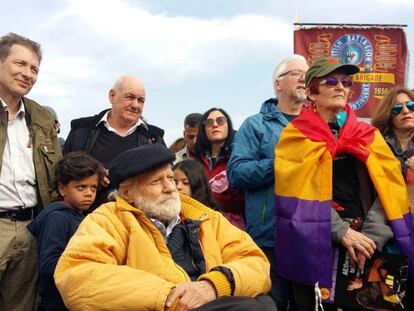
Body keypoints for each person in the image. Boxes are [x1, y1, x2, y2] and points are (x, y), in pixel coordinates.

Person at [54, 144, 275, 311]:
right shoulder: (108, 219)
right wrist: (168, 295)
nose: (170, 188)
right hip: (158, 306)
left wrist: (213, 286)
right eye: (156, 181)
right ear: (128, 192)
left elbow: (255, 263)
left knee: (264, 304)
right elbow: (77, 277)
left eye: (170, 177)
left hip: (212, 301)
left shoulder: (205, 217)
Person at [273, 57, 414, 309]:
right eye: (330, 81)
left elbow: (390, 189)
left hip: (368, 245)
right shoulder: (296, 135)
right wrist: (342, 232)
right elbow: (296, 196)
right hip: (318, 244)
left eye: (346, 82)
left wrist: (370, 239)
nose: (341, 87)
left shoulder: (366, 134)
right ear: (312, 91)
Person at [227, 54, 309, 310]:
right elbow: (237, 173)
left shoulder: (317, 124)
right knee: (272, 304)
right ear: (278, 84)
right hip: (269, 237)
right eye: (297, 73)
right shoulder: (255, 125)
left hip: (309, 235)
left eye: (308, 74)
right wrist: (279, 163)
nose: (305, 78)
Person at [0, 32, 62, 310]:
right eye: (20, 64)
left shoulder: (42, 117)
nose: (28, 74)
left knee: (22, 305)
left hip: (32, 228)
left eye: (34, 69)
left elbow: (59, 173)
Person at [63, 75, 166, 211]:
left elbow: (163, 182)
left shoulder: (154, 138)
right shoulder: (81, 130)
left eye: (141, 101)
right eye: (130, 97)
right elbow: (62, 174)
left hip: (136, 223)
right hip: (83, 222)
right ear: (112, 96)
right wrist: (91, 174)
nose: (135, 105)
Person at [27, 151, 104, 310]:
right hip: (57, 301)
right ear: (62, 189)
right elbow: (49, 263)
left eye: (93, 188)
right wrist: (88, 267)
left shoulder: (82, 217)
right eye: (81, 187)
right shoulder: (57, 219)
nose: (89, 193)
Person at [371, 86, 414, 309]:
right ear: (388, 114)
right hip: (387, 237)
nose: (406, 110)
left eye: (411, 105)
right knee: (389, 302)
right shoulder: (375, 145)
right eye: (398, 108)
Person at [194, 108, 245, 230]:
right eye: (209, 122)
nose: (215, 125)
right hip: (202, 227)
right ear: (204, 129)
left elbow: (244, 199)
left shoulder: (239, 158)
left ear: (228, 125)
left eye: (220, 121)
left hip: (234, 229)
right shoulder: (195, 161)